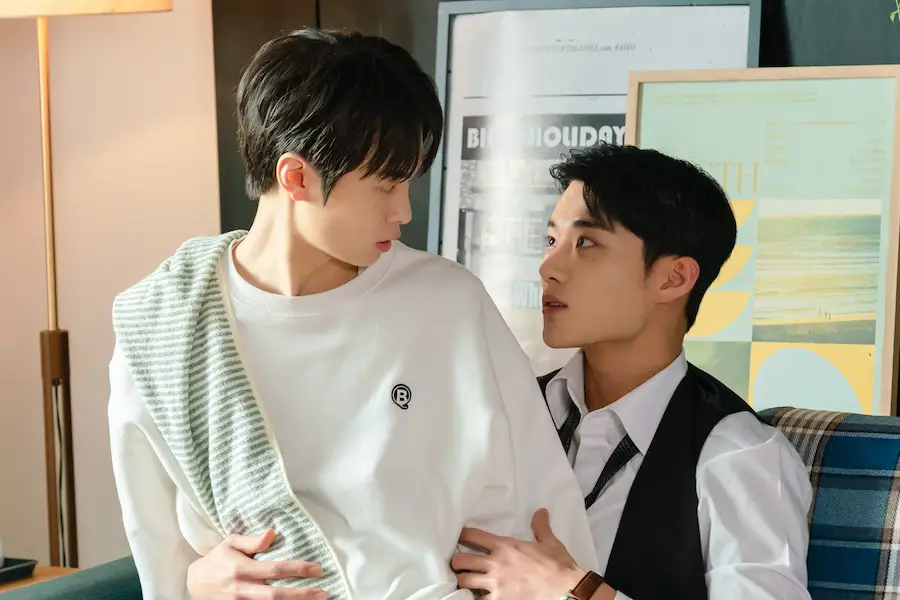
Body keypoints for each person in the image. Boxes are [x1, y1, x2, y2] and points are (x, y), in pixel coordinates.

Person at [107, 29, 598, 600]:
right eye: (385, 186)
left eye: (408, 183)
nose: (403, 211)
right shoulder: (166, 325)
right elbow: (157, 549)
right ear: (296, 178)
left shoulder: (448, 304)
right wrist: (192, 583)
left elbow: (547, 514)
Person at [451, 144, 813, 600]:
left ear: (673, 278)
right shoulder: (503, 408)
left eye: (586, 243)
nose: (548, 268)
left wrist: (574, 591)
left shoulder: (738, 455)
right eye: (551, 240)